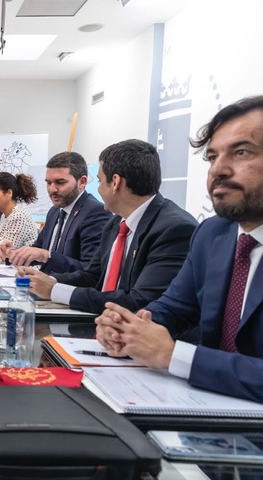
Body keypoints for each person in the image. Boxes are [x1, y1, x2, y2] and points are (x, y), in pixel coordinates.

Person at [96, 96, 263, 402]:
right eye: (212, 157)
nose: (219, 170)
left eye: (241, 152)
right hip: (205, 408)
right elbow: (174, 307)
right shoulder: (213, 233)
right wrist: (132, 327)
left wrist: (175, 356)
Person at [19, 139, 197, 315]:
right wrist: (46, 281)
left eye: (99, 181)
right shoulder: (116, 222)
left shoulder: (174, 230)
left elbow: (140, 302)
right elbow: (93, 276)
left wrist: (55, 291)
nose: (97, 190)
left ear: (116, 182)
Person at [0, 152, 111, 274]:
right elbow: (37, 251)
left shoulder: (95, 213)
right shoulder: (54, 211)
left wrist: (47, 256)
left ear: (82, 182)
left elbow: (91, 272)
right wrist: (13, 253)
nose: (52, 189)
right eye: (49, 183)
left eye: (60, 182)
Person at [0, 172, 38, 255]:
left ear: (9, 193)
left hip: (23, 267)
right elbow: (0, 245)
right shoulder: (5, 215)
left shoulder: (18, 216)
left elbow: (6, 253)